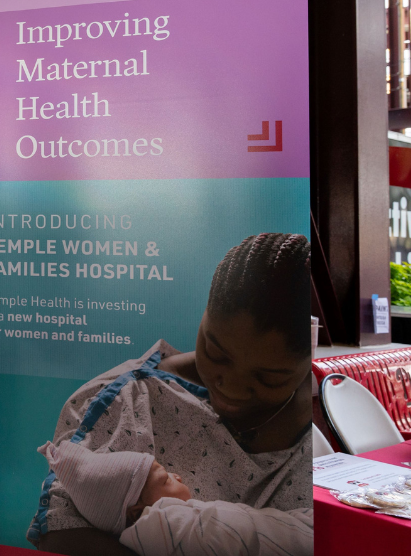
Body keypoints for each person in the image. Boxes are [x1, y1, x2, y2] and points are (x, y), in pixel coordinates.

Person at [30, 233, 312, 556]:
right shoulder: (127, 400)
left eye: (268, 378)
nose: (231, 387)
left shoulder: (322, 429)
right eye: (216, 354)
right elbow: (59, 531)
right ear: (204, 315)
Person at [40, 440, 313, 556]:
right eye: (165, 479)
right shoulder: (165, 526)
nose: (178, 476)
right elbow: (238, 532)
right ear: (137, 513)